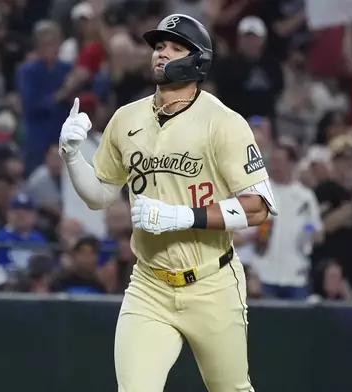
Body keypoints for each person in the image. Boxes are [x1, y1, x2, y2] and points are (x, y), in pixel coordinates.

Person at [58, 14, 278, 392]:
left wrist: (180, 216)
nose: (162, 54)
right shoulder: (126, 118)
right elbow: (99, 197)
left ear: (198, 60)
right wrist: (72, 157)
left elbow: (258, 206)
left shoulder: (223, 122)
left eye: (175, 47)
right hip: (149, 284)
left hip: (212, 282)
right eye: (159, 46)